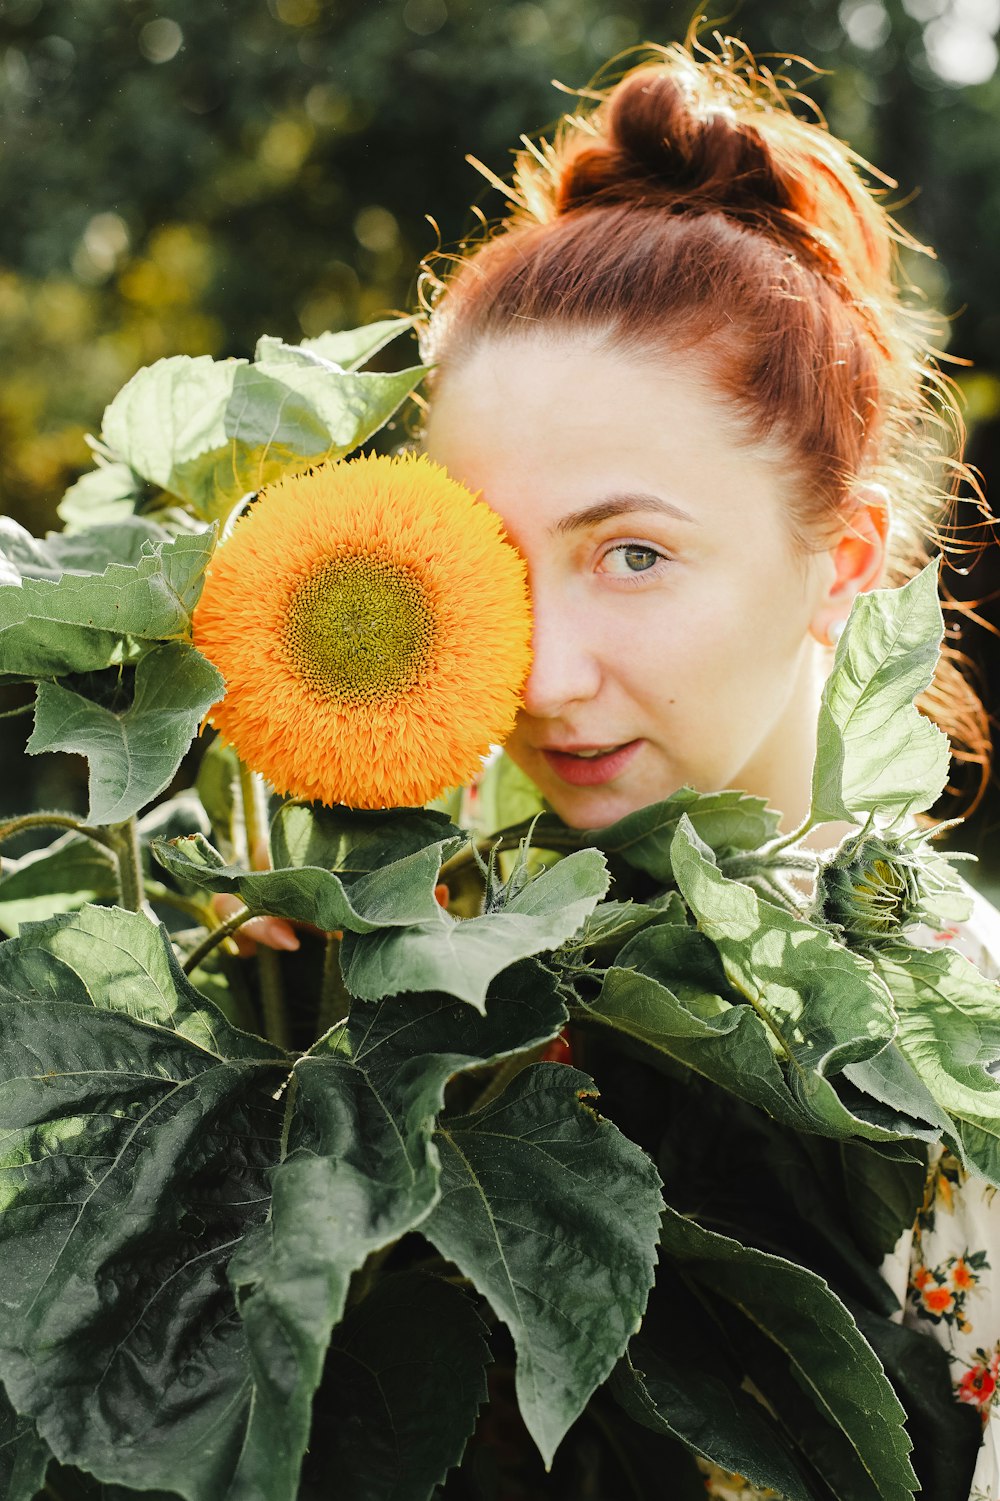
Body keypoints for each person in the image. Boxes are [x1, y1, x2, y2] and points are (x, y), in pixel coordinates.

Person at [415, 33, 1000, 1500]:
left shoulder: (953, 1060)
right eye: (490, 560)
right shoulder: (448, 965)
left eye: (634, 553)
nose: (541, 675)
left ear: (840, 562)